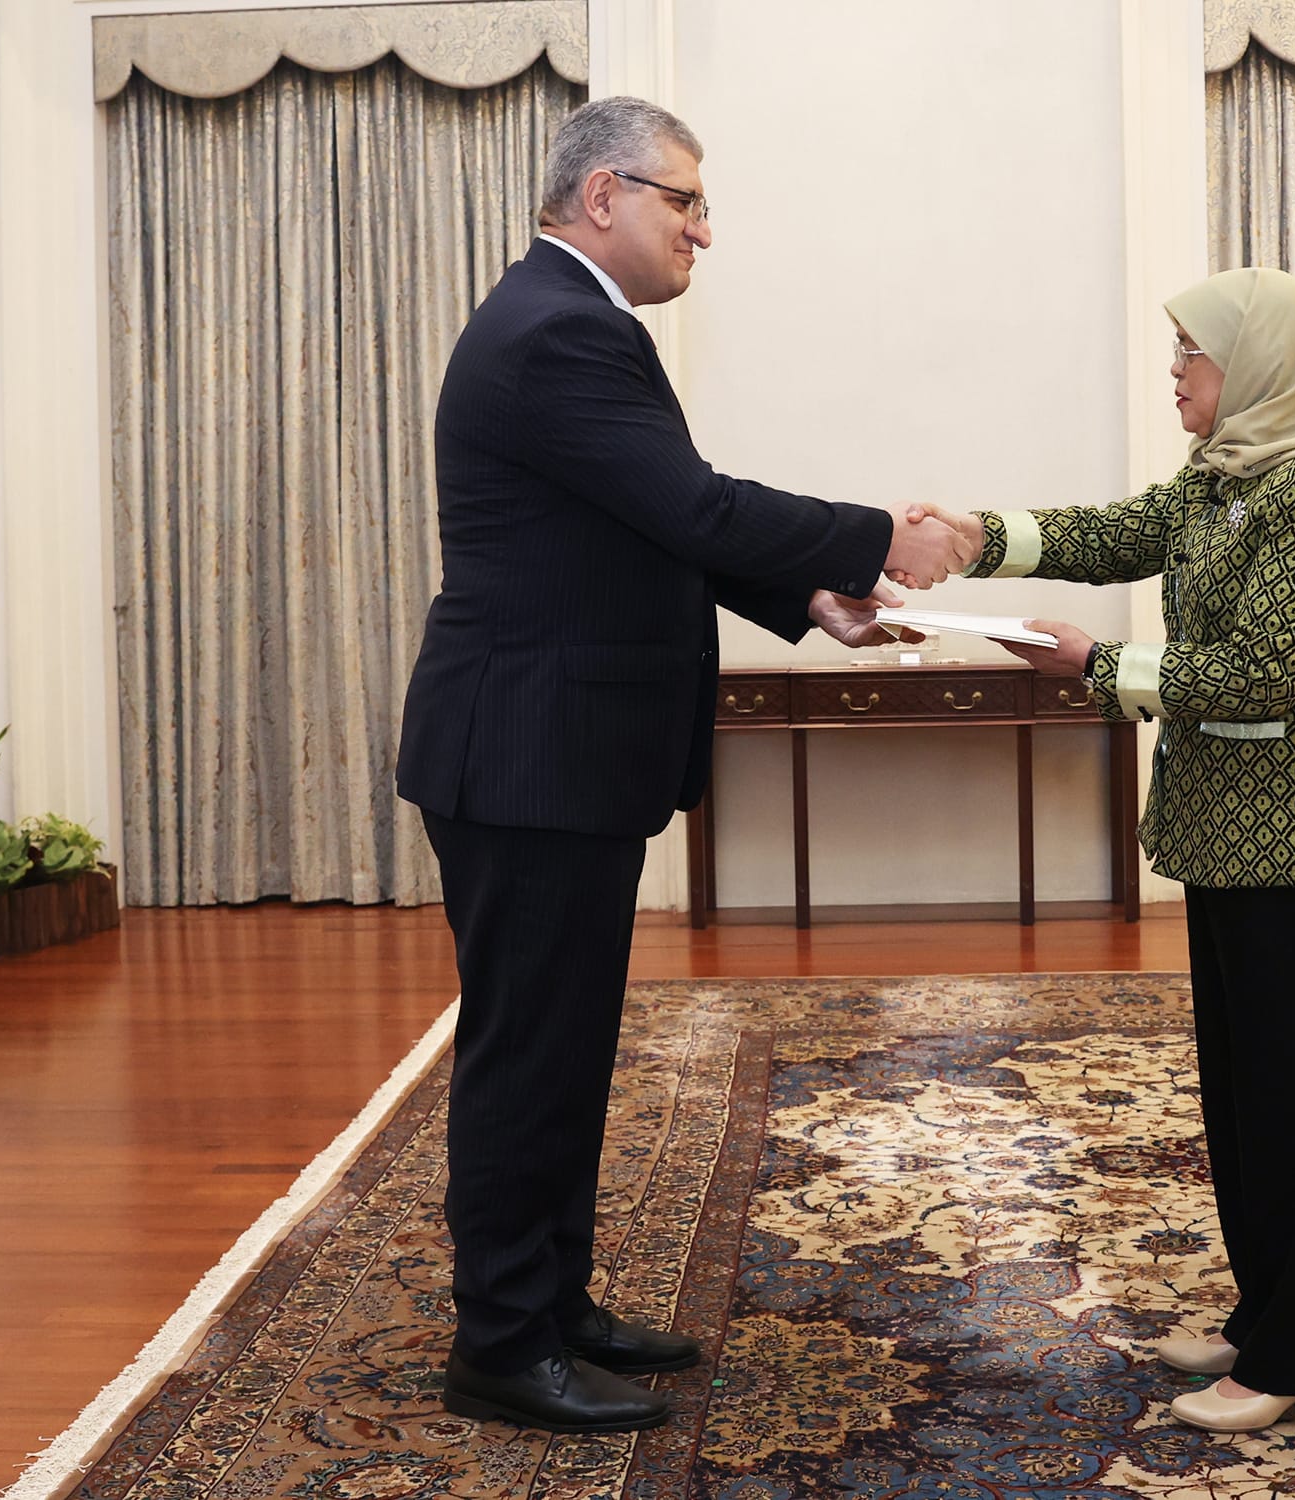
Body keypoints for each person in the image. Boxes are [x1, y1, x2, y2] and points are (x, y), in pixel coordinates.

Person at [395, 96, 967, 1436]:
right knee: (528, 1055)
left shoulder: (569, 323)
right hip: (528, 756)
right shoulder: (559, 334)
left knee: (565, 1043)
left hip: (554, 753)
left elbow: (650, 522)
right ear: (603, 195)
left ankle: (553, 1305)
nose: (704, 231)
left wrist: (803, 603)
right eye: (684, 201)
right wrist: (874, 534)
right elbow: (695, 505)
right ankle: (500, 1345)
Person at [926, 266, 1295, 1434]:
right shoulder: (1225, 472)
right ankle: (1263, 1309)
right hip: (1229, 835)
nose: (1175, 373)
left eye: (1191, 353)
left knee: (1293, 1099)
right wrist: (985, 538)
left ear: (1258, 365)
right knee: (1241, 1094)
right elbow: (1124, 531)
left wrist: (1096, 665)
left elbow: (1263, 671)